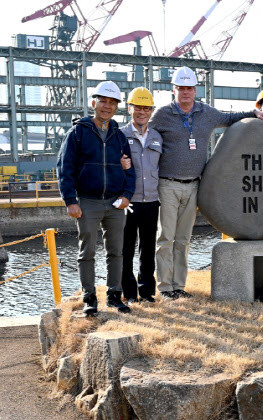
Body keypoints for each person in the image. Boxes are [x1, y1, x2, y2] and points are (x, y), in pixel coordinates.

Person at [148, 66, 263, 300]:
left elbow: (229, 118)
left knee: (183, 239)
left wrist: (255, 113)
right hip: (167, 184)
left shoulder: (206, 113)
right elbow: (145, 135)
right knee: (165, 238)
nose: (185, 92)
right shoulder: (162, 114)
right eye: (181, 88)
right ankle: (164, 287)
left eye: (189, 88)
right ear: (174, 90)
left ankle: (178, 286)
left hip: (194, 185)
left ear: (195, 90)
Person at [57, 80, 135, 315]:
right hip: (88, 202)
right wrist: (70, 200)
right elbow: (64, 168)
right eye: (103, 101)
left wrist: (126, 195)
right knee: (87, 252)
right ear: (94, 103)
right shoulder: (78, 133)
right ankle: (89, 299)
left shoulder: (119, 136)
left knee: (116, 251)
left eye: (112, 103)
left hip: (115, 203)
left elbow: (130, 169)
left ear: (116, 107)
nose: (107, 106)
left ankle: (114, 296)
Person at [120, 87, 162, 304]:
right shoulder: (120, 135)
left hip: (152, 201)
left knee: (148, 249)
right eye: (138, 107)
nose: (142, 112)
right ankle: (129, 293)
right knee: (126, 249)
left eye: (146, 108)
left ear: (151, 111)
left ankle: (146, 292)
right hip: (128, 201)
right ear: (130, 108)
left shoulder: (156, 137)